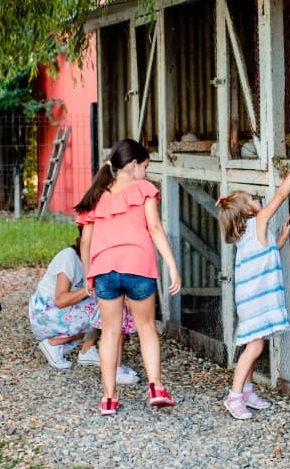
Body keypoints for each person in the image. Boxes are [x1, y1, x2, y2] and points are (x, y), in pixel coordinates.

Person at [75, 139, 182, 416]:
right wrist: (172, 265)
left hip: (105, 271)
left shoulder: (96, 194)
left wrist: (89, 275)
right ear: (133, 165)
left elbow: (86, 242)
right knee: (146, 327)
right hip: (138, 267)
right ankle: (156, 388)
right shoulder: (143, 189)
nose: (146, 173)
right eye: (145, 166)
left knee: (109, 332)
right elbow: (155, 228)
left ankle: (108, 398)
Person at [215, 146, 290, 419]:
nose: (257, 199)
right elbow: (281, 195)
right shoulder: (258, 222)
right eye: (252, 198)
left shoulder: (250, 234)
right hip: (256, 299)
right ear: (247, 209)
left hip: (251, 298)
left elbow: (265, 253)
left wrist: (280, 239)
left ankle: (246, 390)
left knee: (255, 345)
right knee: (254, 346)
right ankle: (234, 396)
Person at [29, 227, 139, 384]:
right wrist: (90, 289)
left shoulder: (96, 261)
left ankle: (87, 349)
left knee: (107, 304)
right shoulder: (69, 257)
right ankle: (53, 344)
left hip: (63, 311)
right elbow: (60, 300)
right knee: (106, 309)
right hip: (45, 313)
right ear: (82, 239)